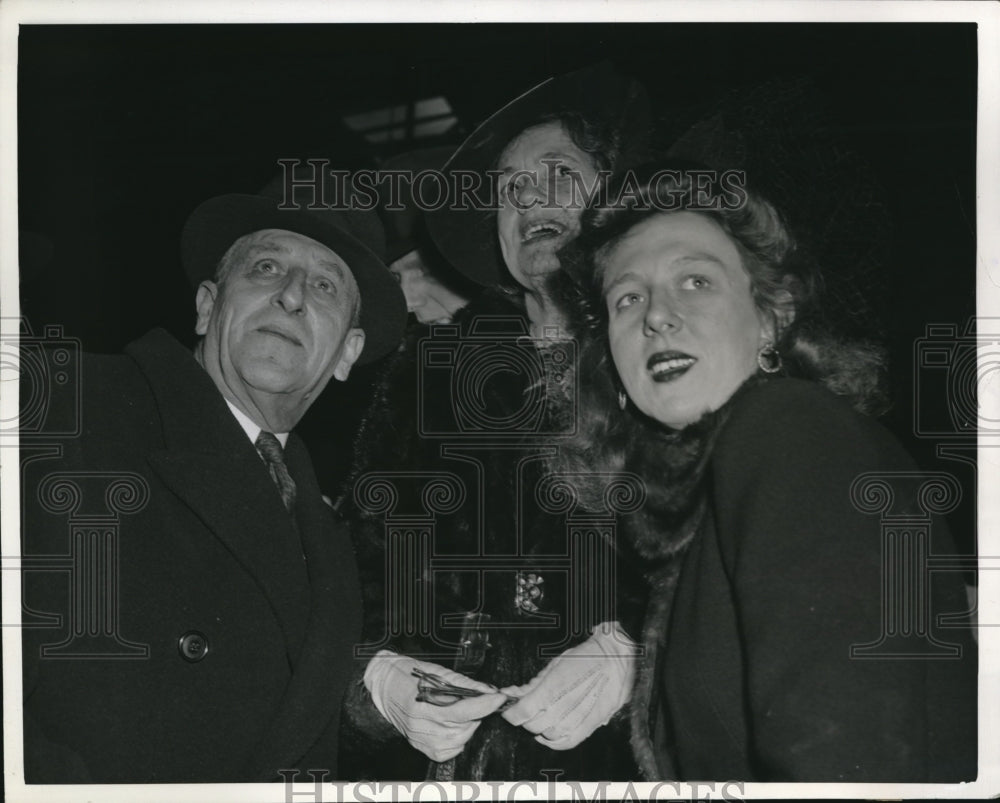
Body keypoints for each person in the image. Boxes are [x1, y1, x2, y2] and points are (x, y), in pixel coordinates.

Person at [549, 163, 978, 781]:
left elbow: (849, 762)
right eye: (628, 297)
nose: (656, 316)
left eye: (695, 280)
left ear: (773, 318)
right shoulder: (717, 489)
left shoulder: (790, 428)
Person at [20, 192, 407, 782]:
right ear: (206, 306)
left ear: (346, 354)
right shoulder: (63, 404)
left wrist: (382, 696)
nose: (293, 295)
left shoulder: (328, 526)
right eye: (267, 268)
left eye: (325, 286)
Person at [340, 63, 650, 781]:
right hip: (447, 762)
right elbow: (360, 557)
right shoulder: (434, 372)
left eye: (558, 173)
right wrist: (378, 676)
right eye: (509, 189)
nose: (529, 196)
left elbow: (736, 561)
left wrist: (640, 649)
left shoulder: (665, 357)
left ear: (614, 200)